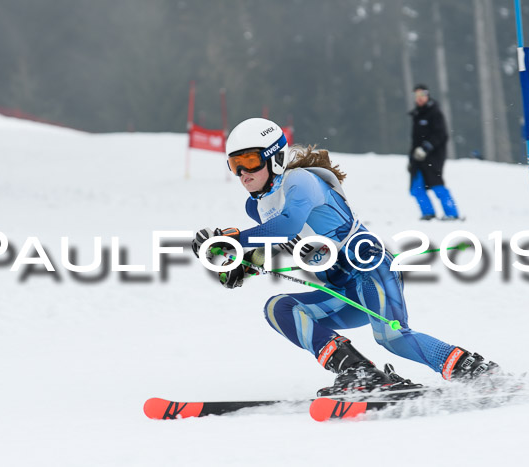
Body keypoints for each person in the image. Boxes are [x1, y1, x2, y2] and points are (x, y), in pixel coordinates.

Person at [192, 117, 495, 396]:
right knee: (279, 308)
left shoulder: (300, 182)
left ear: (276, 157)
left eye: (250, 160)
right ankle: (358, 371)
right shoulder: (257, 207)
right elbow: (277, 242)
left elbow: (289, 225)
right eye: (235, 164)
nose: (244, 173)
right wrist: (241, 266)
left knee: (393, 338)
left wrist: (235, 240)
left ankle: (473, 370)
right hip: (342, 290)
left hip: (372, 270)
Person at [409, 84, 460, 221]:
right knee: (416, 188)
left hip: (433, 158)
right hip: (417, 158)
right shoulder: (417, 114)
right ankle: (428, 213)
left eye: (422, 95)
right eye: (417, 96)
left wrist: (426, 147)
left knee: (437, 185)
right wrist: (411, 159)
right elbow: (415, 140)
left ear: (427, 95)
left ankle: (452, 213)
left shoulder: (434, 112)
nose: (419, 98)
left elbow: (441, 135)